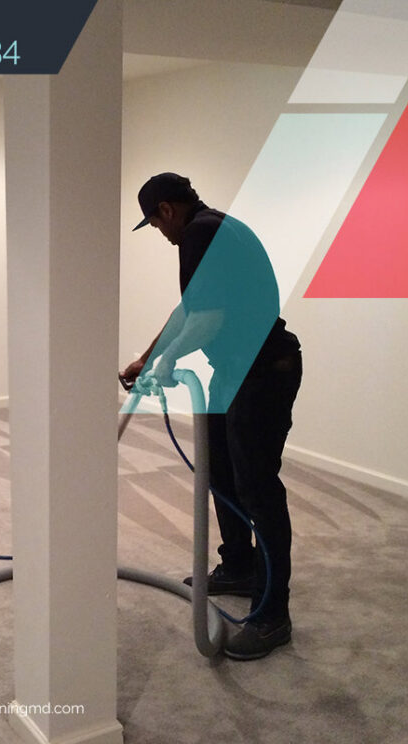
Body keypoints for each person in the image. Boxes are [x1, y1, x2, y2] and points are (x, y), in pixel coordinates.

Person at [120, 173, 302, 660]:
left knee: (258, 488)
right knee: (220, 471)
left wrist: (167, 363)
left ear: (165, 210)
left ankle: (272, 614)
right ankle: (239, 565)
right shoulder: (214, 229)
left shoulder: (200, 231)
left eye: (155, 224)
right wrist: (149, 356)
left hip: (263, 371)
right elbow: (190, 310)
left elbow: (209, 321)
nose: (160, 234)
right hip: (236, 370)